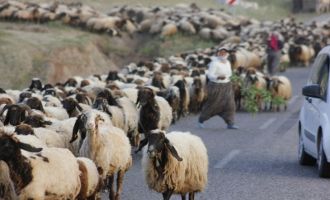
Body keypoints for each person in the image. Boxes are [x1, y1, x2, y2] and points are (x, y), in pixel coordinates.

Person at [198, 47, 238, 129]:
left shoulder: (228, 63)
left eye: (224, 52)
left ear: (227, 54)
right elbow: (210, 75)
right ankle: (201, 120)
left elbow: (229, 73)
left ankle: (230, 123)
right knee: (212, 104)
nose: (223, 54)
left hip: (227, 86)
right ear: (218, 53)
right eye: (221, 52)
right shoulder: (214, 63)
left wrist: (227, 77)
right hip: (215, 86)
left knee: (230, 105)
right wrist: (217, 77)